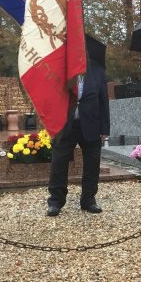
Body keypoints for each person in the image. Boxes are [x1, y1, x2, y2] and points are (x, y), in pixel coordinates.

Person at [46, 35, 110, 216]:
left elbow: (103, 100)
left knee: (92, 163)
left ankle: (88, 199)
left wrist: (105, 129)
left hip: (91, 124)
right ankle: (55, 201)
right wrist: (51, 125)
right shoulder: (60, 71)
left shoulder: (97, 71)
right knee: (59, 163)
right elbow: (52, 100)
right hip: (65, 125)